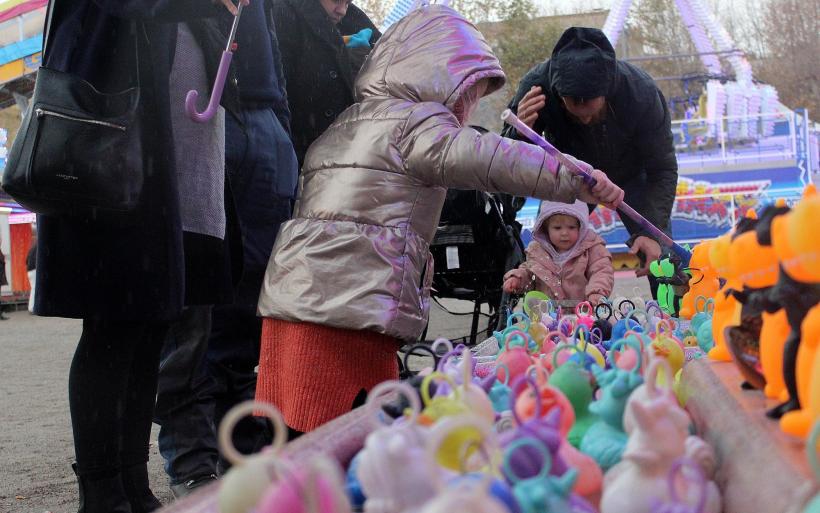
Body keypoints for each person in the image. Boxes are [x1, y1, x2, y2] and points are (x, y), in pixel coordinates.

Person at [254, 4, 624, 436]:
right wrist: (576, 177)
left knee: (300, 429)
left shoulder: (352, 120)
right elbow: (490, 158)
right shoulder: (416, 124)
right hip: (349, 306)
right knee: (351, 433)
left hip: (298, 295)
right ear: (437, 75)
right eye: (467, 93)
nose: (466, 107)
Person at [32, 1, 247, 512]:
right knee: (112, 330)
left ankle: (131, 482)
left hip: (173, 173)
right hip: (116, 163)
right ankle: (101, 490)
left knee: (151, 328)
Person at [154, 0, 299, 497]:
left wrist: (280, 126)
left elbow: (269, 51)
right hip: (200, 107)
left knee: (252, 299)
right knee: (197, 303)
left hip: (259, 117)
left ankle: (241, 444)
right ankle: (194, 458)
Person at [502, 27, 678, 288]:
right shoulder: (536, 88)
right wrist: (518, 134)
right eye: (574, 107)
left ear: (608, 90)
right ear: (557, 95)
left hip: (632, 176)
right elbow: (504, 161)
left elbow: (662, 168)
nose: (584, 118)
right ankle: (547, 321)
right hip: (571, 178)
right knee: (549, 251)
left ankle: (674, 320)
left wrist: (652, 232)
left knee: (662, 255)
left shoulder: (641, 92)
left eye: (591, 109)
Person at [271, 0, 380, 165]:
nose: (342, 10)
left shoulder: (353, 23)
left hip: (311, 154)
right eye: (336, 1)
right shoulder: (284, 14)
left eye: (348, 3)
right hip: (287, 147)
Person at [502, 200, 614, 305]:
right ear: (545, 229)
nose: (564, 233)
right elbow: (530, 274)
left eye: (571, 227)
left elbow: (601, 271)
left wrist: (597, 292)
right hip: (546, 317)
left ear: (581, 227)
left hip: (583, 314)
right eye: (557, 228)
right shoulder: (537, 251)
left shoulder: (591, 248)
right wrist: (518, 279)